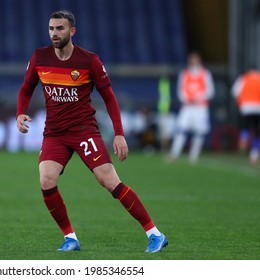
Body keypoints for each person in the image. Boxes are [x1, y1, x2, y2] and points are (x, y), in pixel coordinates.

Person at [16, 10, 167, 253]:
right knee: (46, 180)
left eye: (60, 29)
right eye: (51, 29)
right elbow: (26, 88)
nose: (55, 33)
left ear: (72, 31)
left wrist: (119, 133)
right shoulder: (39, 57)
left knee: (108, 181)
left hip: (84, 130)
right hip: (54, 132)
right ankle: (70, 239)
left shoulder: (89, 61)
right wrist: (20, 112)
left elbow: (109, 96)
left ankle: (155, 234)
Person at [167, 52, 215, 163]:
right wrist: (187, 98)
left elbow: (210, 91)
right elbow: (181, 90)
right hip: (187, 107)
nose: (193, 62)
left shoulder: (205, 74)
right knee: (181, 129)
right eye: (192, 59)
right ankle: (175, 153)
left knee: (199, 131)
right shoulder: (185, 74)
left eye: (195, 59)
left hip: (200, 107)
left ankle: (194, 156)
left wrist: (199, 97)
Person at [231, 66, 260, 165]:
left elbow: (234, 92)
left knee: (246, 126)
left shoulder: (243, 78)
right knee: (257, 130)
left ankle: (244, 138)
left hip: (245, 106)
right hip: (258, 106)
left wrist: (239, 102)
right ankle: (254, 154)